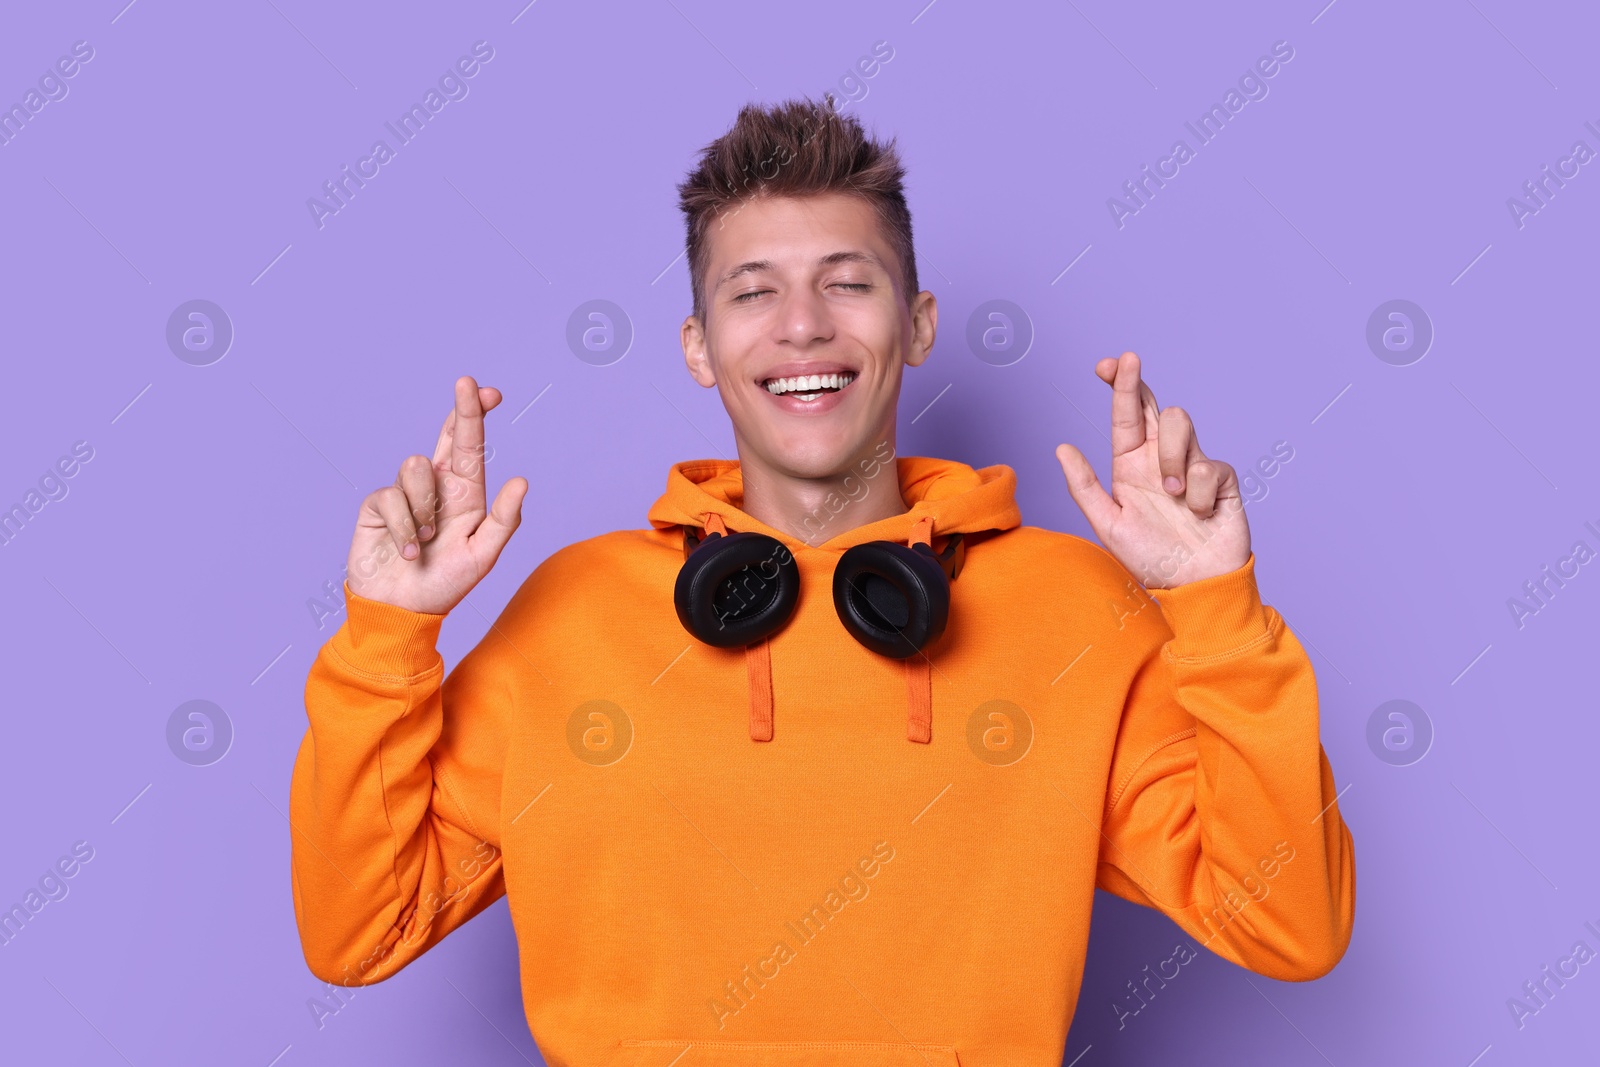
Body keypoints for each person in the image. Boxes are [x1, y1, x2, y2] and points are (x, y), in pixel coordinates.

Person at [289, 95, 1354, 1066]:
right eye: (753, 292)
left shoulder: (1078, 609)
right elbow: (357, 931)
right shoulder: (571, 610)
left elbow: (1289, 924)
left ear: (919, 323)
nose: (803, 324)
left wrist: (1216, 609)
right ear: (699, 348)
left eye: (847, 283)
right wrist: (388, 634)